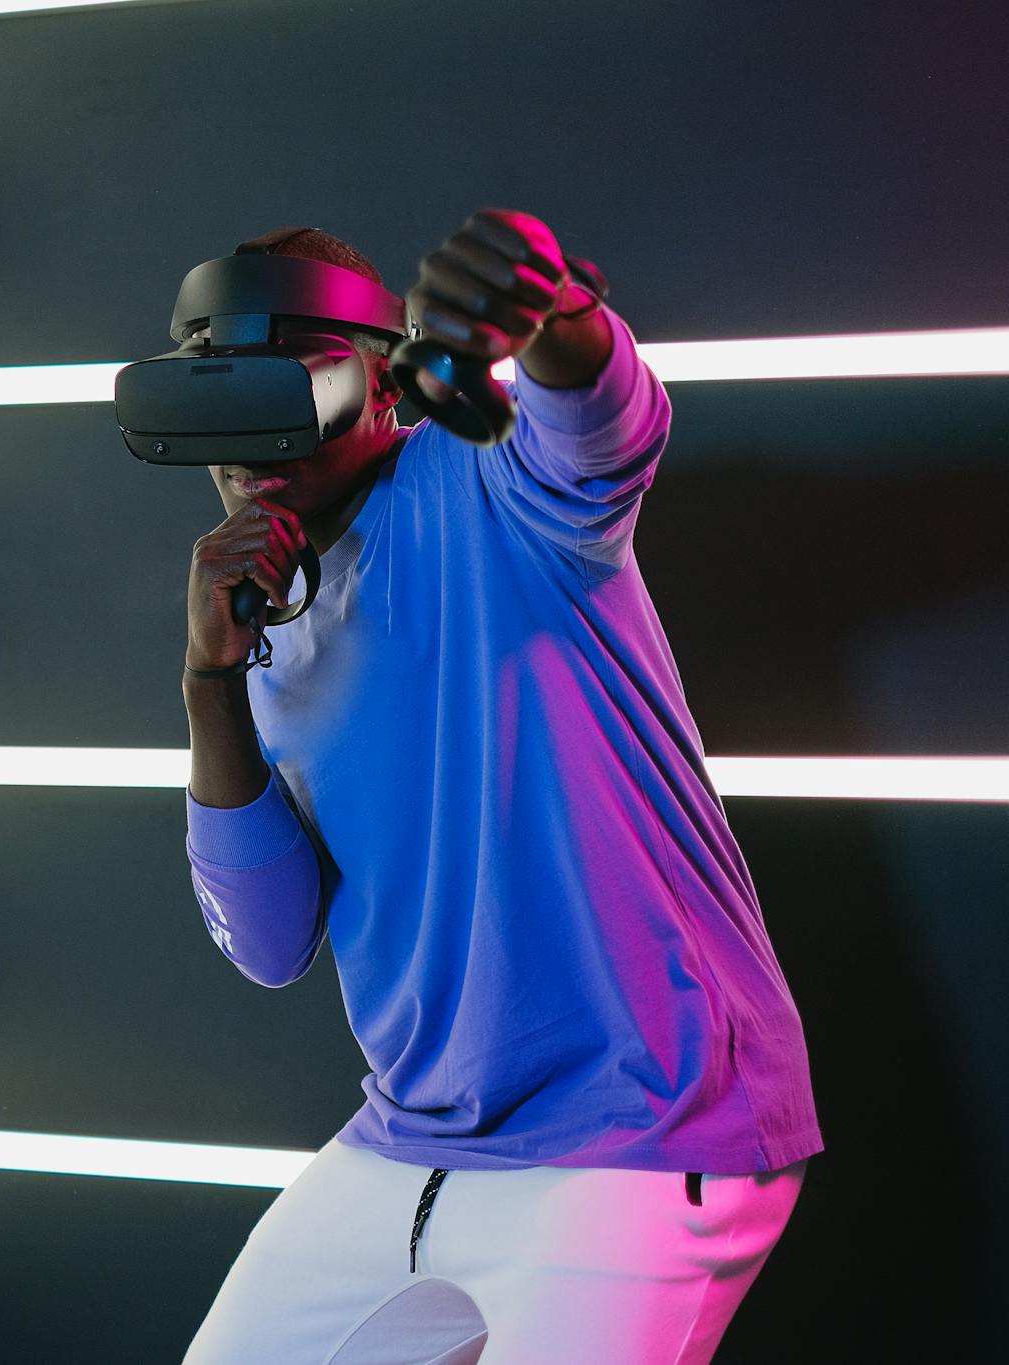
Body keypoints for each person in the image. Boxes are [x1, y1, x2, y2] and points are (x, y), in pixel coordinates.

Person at [175, 211, 822, 1364]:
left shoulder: (485, 480)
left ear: (377, 386)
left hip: (639, 1131)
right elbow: (267, 945)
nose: (253, 433)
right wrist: (209, 680)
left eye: (289, 385)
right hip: (409, 1139)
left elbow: (604, 428)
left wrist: (555, 310)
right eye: (223, 391)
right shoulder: (261, 602)